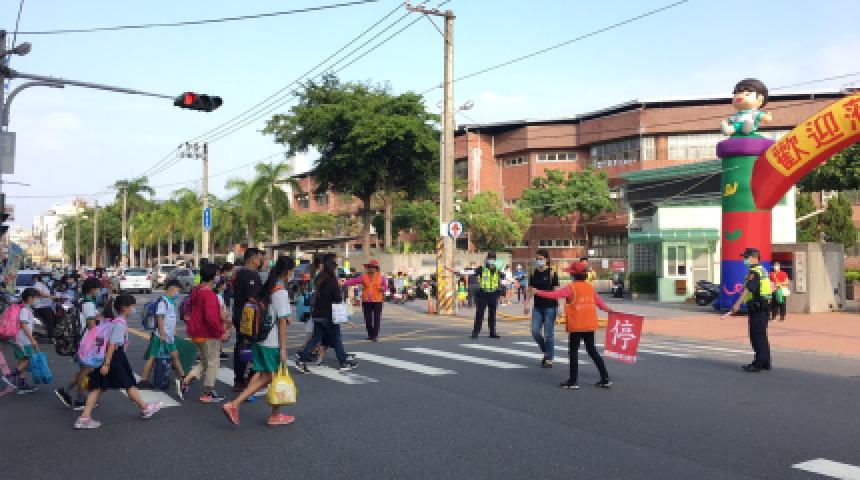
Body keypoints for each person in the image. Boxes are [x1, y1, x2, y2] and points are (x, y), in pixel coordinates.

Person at [223, 256, 296, 427]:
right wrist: (283, 349)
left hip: (260, 339)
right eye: (292, 271)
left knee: (266, 376)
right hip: (272, 342)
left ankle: (237, 406)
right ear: (288, 272)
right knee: (273, 377)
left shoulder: (268, 287)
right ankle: (267, 413)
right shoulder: (281, 292)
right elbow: (282, 322)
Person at [74, 294, 163, 429]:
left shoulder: (111, 321)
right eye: (132, 306)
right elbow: (112, 344)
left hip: (106, 357)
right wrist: (107, 364)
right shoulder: (119, 323)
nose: (133, 309)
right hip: (114, 358)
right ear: (124, 308)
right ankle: (145, 408)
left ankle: (84, 417)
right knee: (128, 384)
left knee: (98, 387)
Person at [532, 261, 612, 389]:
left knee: (573, 352)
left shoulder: (571, 288)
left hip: (577, 325)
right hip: (590, 325)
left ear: (573, 275)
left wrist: (538, 292)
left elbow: (556, 295)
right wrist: (608, 309)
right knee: (592, 350)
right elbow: (599, 301)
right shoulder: (590, 287)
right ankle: (605, 378)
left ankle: (573, 381)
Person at [296, 259, 358, 373]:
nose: (336, 271)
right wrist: (340, 293)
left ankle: (302, 360)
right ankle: (343, 363)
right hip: (328, 316)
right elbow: (338, 299)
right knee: (336, 339)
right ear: (332, 270)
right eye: (336, 269)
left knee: (315, 339)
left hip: (317, 315)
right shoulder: (332, 282)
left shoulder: (320, 280)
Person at [54, 277, 104, 409]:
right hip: (87, 342)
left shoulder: (81, 301)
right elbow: (92, 326)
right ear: (92, 289)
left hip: (81, 340)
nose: (98, 291)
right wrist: (100, 342)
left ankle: (66, 391)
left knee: (85, 369)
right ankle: (80, 399)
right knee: (86, 370)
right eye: (97, 289)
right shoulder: (88, 304)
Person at [182, 263, 228, 402]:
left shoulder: (197, 290)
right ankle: (208, 393)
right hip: (207, 333)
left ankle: (185, 381)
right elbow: (211, 317)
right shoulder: (209, 293)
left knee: (205, 361)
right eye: (217, 274)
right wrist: (221, 332)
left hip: (196, 331)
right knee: (213, 362)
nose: (218, 277)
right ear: (213, 276)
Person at [137, 279, 186, 395]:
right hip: (161, 336)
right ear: (172, 289)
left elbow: (170, 319)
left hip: (169, 336)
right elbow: (160, 318)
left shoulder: (171, 302)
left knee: (175, 355)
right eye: (178, 291)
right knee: (152, 357)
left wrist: (173, 330)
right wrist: (162, 334)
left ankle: (184, 377)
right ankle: (143, 380)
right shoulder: (163, 302)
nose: (178, 294)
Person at [729, 248, 772, 372]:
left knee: (756, 335)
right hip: (763, 306)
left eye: (746, 257)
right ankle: (765, 362)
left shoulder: (754, 272)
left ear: (754, 258)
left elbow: (748, 289)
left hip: (757, 307)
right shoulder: (762, 269)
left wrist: (737, 304)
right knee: (762, 336)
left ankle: (757, 364)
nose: (744, 259)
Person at [232, 248, 265, 391]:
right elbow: (252, 298)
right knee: (251, 346)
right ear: (253, 259)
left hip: (239, 313)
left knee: (241, 345)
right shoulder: (251, 275)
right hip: (248, 316)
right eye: (259, 258)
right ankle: (249, 379)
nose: (261, 261)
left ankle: (240, 378)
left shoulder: (239, 273)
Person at [524, 249, 560, 368]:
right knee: (535, 332)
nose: (538, 261)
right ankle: (546, 351)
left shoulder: (552, 273)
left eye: (541, 259)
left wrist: (559, 307)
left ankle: (549, 359)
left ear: (546, 259)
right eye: (537, 259)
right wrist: (526, 304)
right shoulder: (533, 273)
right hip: (537, 307)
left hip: (550, 307)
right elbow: (530, 290)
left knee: (549, 334)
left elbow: (556, 291)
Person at [3, 288, 41, 394]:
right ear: (29, 298)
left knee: (22, 360)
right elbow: (24, 325)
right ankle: (11, 376)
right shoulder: (24, 309)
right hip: (23, 340)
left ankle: (21, 385)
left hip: (18, 339)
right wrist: (32, 339)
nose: (36, 300)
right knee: (28, 360)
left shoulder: (24, 307)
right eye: (36, 298)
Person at [343, 259, 388, 342]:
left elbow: (386, 287)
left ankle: (374, 335)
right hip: (366, 300)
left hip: (377, 301)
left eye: (373, 267)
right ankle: (370, 334)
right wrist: (344, 283)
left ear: (376, 268)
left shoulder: (381, 277)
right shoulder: (364, 276)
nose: (371, 269)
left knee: (377, 318)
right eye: (369, 267)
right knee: (367, 319)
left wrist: (382, 288)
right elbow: (354, 281)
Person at [470, 252, 505, 339]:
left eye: (492, 259)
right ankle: (476, 332)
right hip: (483, 294)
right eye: (489, 258)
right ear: (487, 259)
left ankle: (492, 332)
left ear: (495, 260)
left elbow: (502, 279)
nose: (491, 260)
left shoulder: (497, 270)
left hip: (493, 294)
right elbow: (472, 272)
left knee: (492, 314)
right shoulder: (482, 269)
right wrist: (461, 272)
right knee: (480, 313)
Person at [33, 273, 61, 341]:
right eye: (45, 277)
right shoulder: (38, 285)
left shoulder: (45, 285)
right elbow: (42, 294)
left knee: (54, 320)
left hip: (48, 305)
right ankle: (52, 337)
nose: (47, 278)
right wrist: (53, 297)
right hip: (41, 306)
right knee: (50, 320)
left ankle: (53, 335)